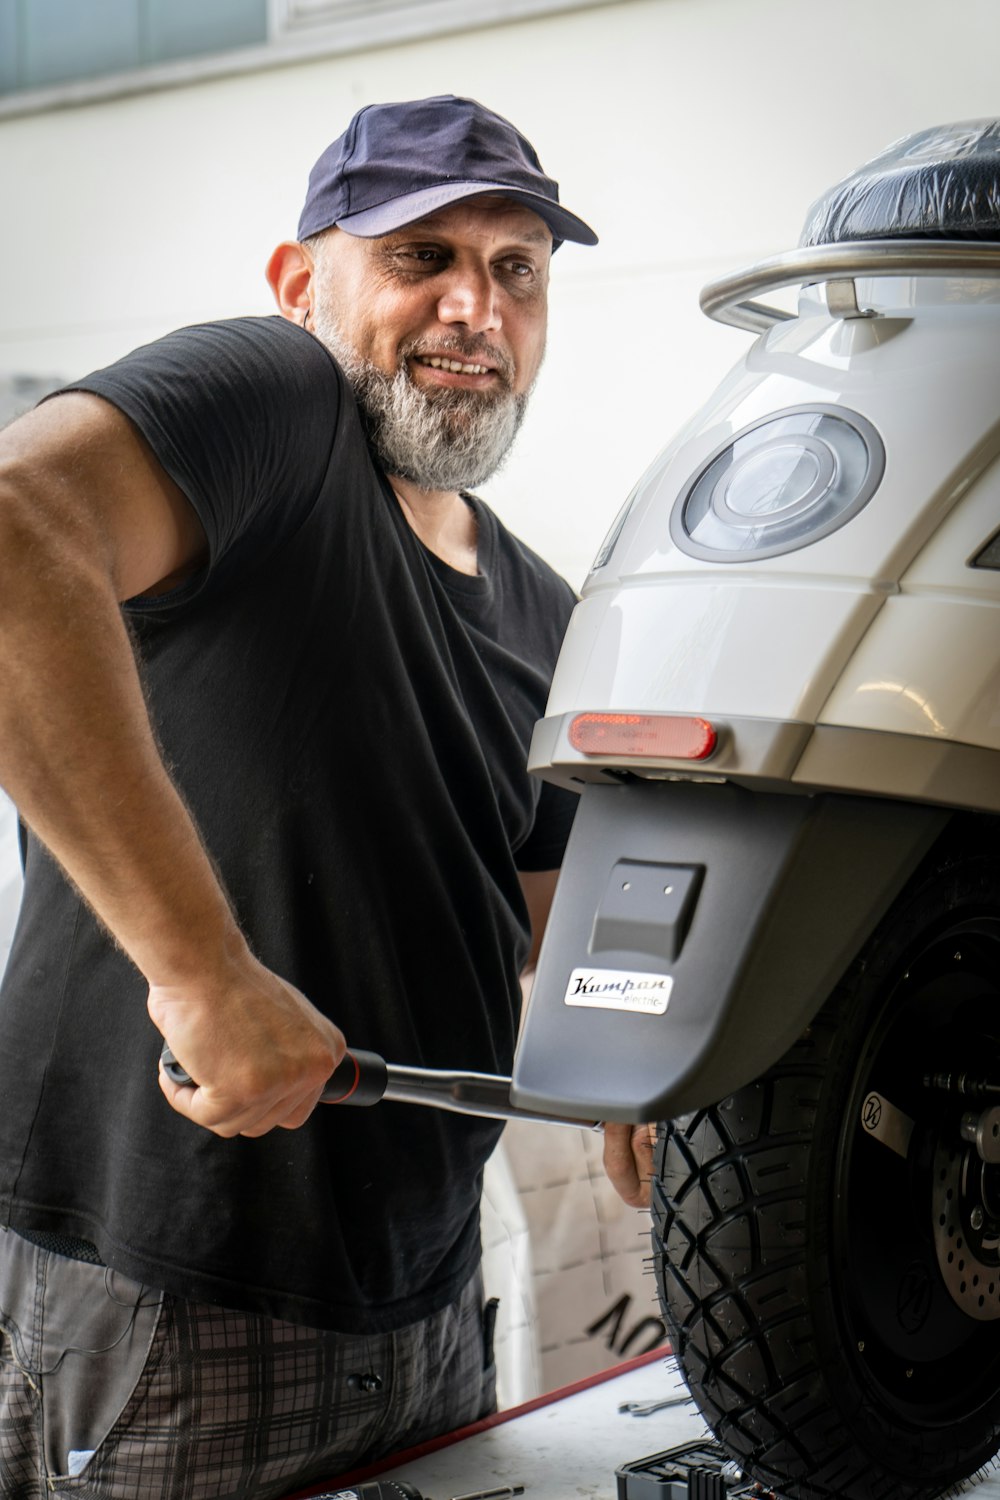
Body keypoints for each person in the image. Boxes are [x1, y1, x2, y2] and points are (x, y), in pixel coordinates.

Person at [0, 95, 653, 1499]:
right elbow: (13, 537)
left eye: (517, 269)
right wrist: (201, 975)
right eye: (421, 257)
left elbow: (568, 928)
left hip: (430, 1304)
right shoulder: (273, 410)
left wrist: (646, 1072)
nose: (474, 305)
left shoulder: (547, 610)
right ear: (304, 284)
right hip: (177, 1293)